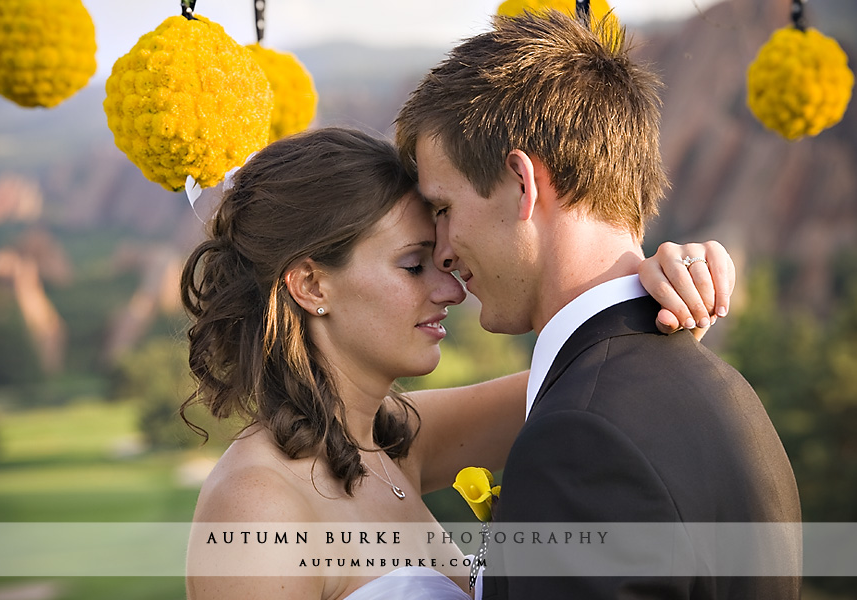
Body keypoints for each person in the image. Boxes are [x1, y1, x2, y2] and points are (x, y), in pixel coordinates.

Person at [180, 127, 737, 599]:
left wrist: (674, 283)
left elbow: (597, 381)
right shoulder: (256, 501)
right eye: (413, 265)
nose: (451, 289)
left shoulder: (395, 441)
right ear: (311, 283)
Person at [395, 9, 801, 600]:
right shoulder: (728, 393)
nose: (445, 250)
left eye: (444, 209)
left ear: (521, 183)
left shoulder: (581, 438)